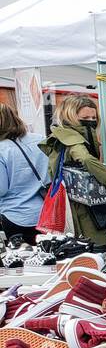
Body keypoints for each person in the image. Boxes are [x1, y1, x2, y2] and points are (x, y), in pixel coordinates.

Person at [40, 94, 106, 246]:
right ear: (71, 116)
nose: (91, 121)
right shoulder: (72, 140)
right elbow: (86, 159)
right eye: (86, 117)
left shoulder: (64, 136)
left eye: (93, 118)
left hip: (77, 203)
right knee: (93, 248)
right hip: (81, 209)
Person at [0, 102, 48, 243]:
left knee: (24, 260)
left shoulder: (1, 149)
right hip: (46, 212)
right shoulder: (39, 139)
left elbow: (1, 190)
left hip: (16, 215)